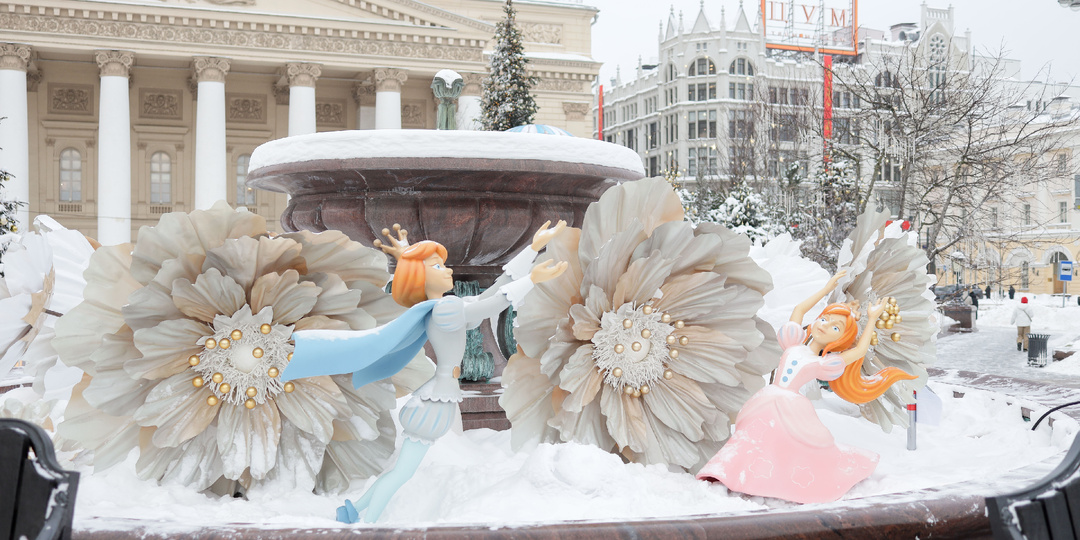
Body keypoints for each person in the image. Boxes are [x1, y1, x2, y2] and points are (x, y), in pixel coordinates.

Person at [281, 221, 568, 523]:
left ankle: (352, 511)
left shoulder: (445, 306)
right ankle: (368, 524)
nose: (448, 270)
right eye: (437, 266)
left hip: (438, 398)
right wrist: (531, 279)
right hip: (435, 402)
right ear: (421, 276)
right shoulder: (445, 309)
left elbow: (492, 293)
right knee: (402, 472)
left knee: (401, 471)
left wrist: (532, 249)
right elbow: (493, 304)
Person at [696, 270, 917, 504]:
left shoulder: (823, 363)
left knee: (789, 445)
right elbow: (799, 309)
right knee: (752, 437)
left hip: (789, 406)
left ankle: (772, 480)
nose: (826, 326)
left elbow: (860, 351)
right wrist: (826, 289)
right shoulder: (794, 342)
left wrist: (872, 319)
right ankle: (730, 471)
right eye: (825, 319)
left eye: (835, 328)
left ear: (838, 340)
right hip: (767, 399)